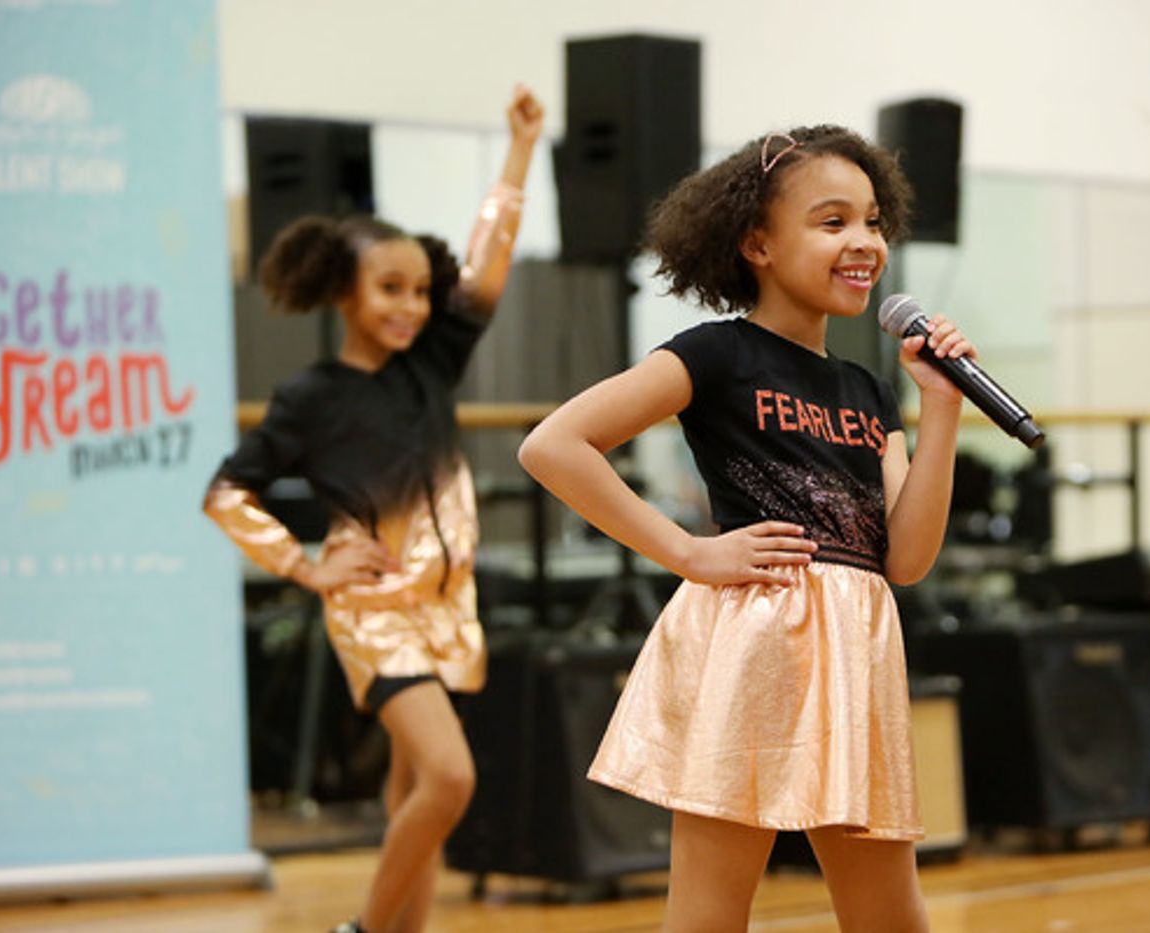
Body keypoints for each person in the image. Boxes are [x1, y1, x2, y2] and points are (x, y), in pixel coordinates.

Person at [518, 124, 974, 932]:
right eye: (832, 222)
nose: (863, 242)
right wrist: (689, 551)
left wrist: (940, 410)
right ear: (757, 243)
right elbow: (554, 445)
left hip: (859, 649)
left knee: (892, 917)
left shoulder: (871, 390)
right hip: (757, 641)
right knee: (708, 914)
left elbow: (905, 559)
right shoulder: (717, 355)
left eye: (872, 221)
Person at [204, 85, 543, 933]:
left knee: (412, 793)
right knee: (451, 779)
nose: (411, 306)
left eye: (421, 291)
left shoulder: (430, 365)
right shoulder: (310, 397)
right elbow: (227, 491)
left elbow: (489, 261)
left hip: (447, 607)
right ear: (342, 291)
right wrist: (306, 564)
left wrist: (518, 151)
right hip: (374, 609)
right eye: (389, 288)